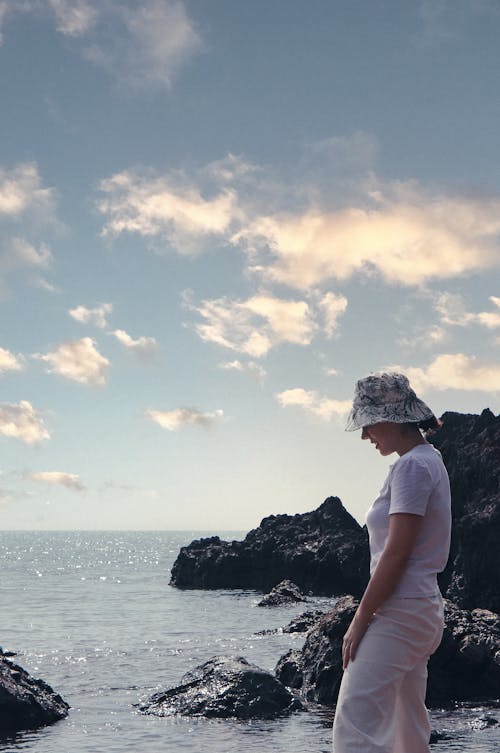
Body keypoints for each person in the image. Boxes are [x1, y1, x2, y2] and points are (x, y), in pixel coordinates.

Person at [332, 372, 451, 753]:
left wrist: (360, 619)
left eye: (369, 424)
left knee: (355, 726)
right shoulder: (427, 460)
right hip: (419, 610)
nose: (366, 436)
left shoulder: (413, 467)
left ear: (393, 417)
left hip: (400, 612)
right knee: (407, 727)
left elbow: (397, 553)